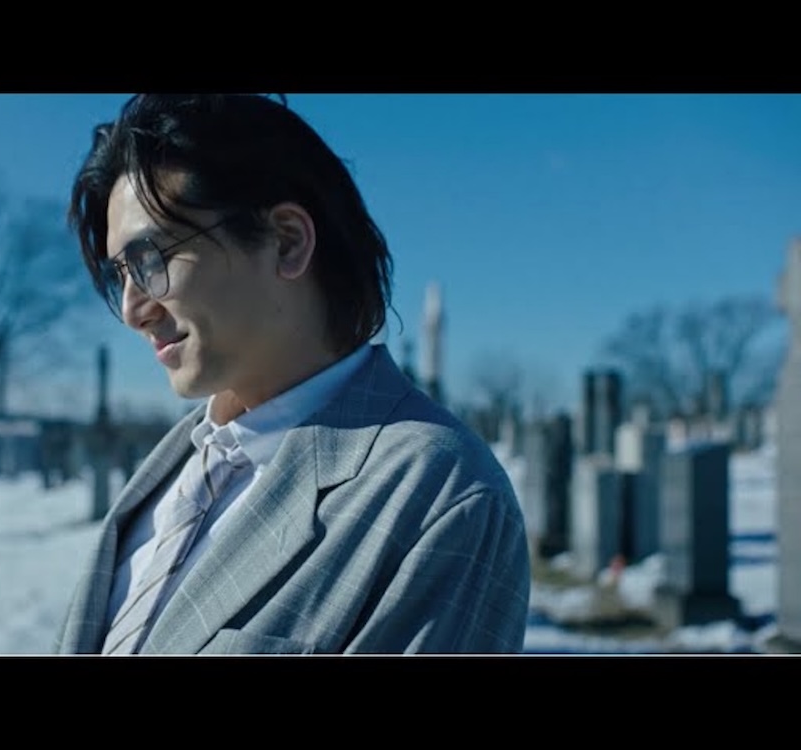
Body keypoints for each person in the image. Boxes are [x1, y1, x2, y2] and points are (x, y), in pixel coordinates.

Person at [54, 94, 531, 655]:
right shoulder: (179, 466)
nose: (133, 310)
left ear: (287, 241)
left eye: (152, 260)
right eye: (121, 275)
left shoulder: (441, 495)